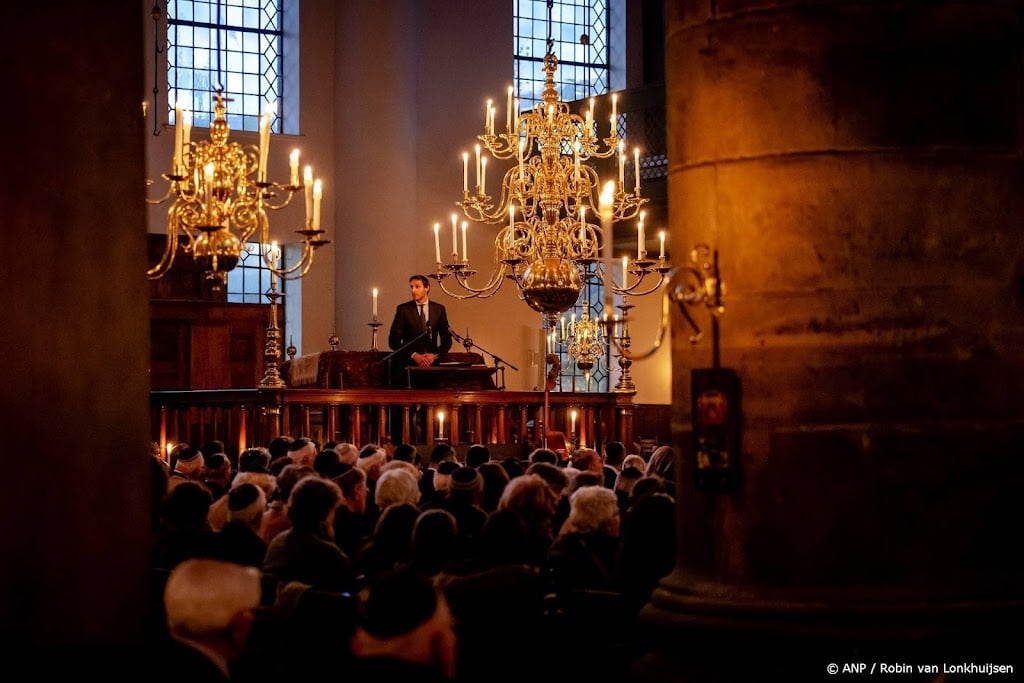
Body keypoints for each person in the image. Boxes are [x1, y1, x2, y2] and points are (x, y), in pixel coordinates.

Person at [387, 274, 453, 373]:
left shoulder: (439, 309)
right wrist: (414, 355)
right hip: (408, 365)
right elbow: (393, 341)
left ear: (427, 288)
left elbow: (447, 341)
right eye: (411, 287)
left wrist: (434, 355)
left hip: (432, 366)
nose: (413, 290)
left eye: (417, 287)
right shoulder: (403, 309)